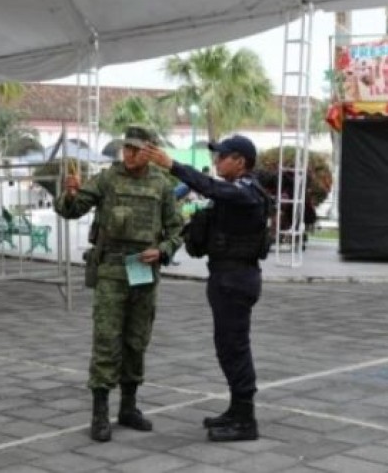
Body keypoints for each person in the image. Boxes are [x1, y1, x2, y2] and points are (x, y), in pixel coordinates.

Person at [54, 125, 183, 443]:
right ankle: (99, 413)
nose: (129, 154)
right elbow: (72, 210)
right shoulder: (108, 178)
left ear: (151, 151)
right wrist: (69, 193)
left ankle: (129, 406)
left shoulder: (162, 185)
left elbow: (177, 228)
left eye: (136, 149)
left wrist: (163, 250)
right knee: (107, 341)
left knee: (136, 341)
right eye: (126, 148)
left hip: (143, 271)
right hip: (112, 271)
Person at [143, 134, 270, 442]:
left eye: (222, 156)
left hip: (236, 280)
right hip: (226, 278)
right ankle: (237, 409)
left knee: (234, 348)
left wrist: (172, 165)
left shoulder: (246, 191)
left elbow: (211, 187)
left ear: (240, 161)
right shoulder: (232, 193)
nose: (216, 161)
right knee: (227, 347)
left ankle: (245, 419)